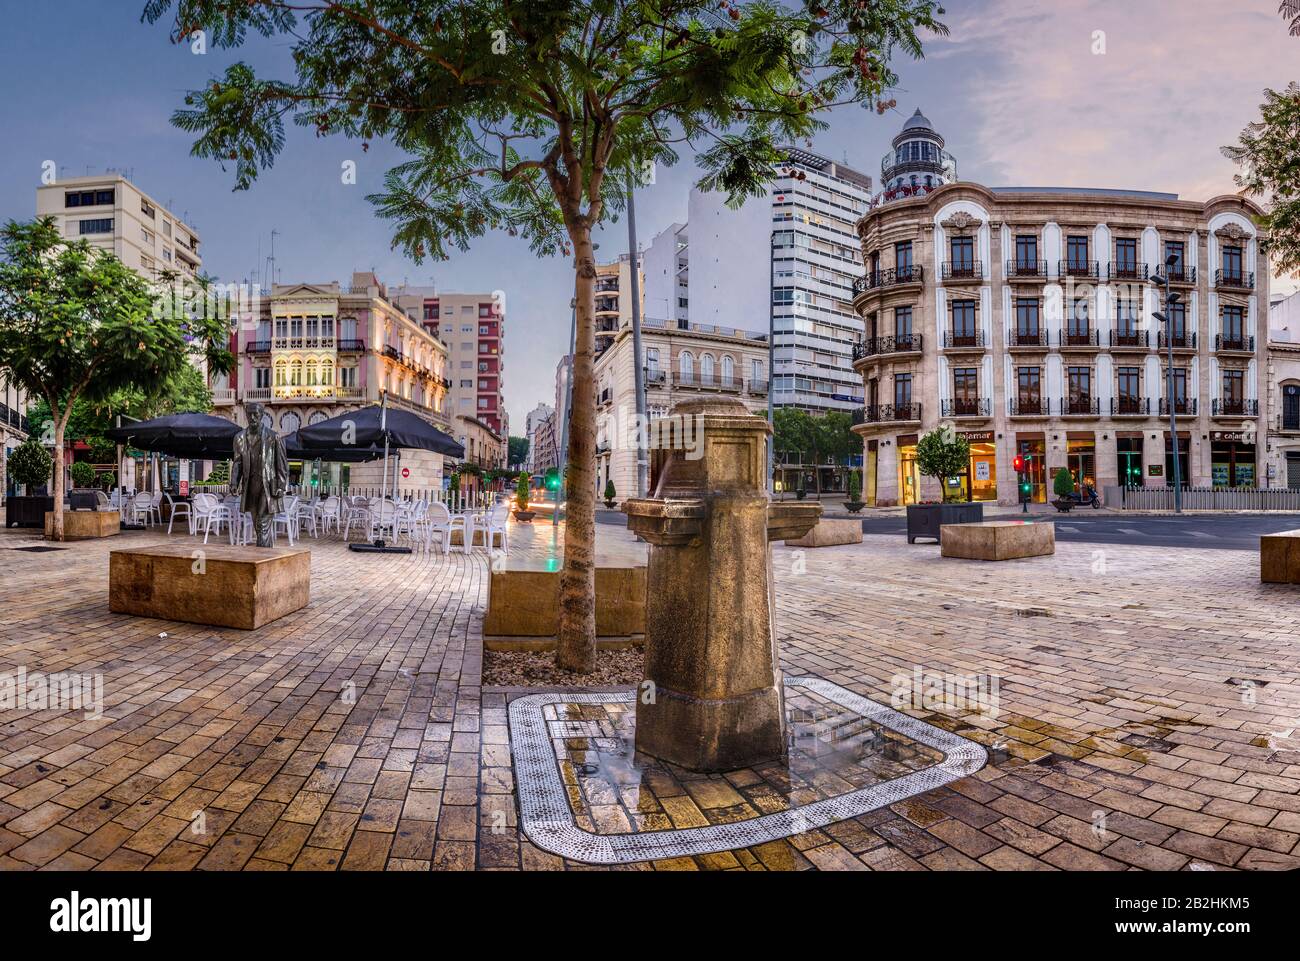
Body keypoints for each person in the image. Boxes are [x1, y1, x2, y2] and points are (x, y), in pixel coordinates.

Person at [231, 402, 289, 547]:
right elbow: (237, 462)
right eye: (249, 414)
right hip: (250, 487)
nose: (252, 417)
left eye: (256, 414)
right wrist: (234, 482)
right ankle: (268, 559)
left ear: (262, 415)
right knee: (259, 526)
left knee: (262, 524)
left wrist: (281, 486)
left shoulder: (273, 437)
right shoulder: (239, 438)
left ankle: (260, 558)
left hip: (268, 486)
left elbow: (282, 464)